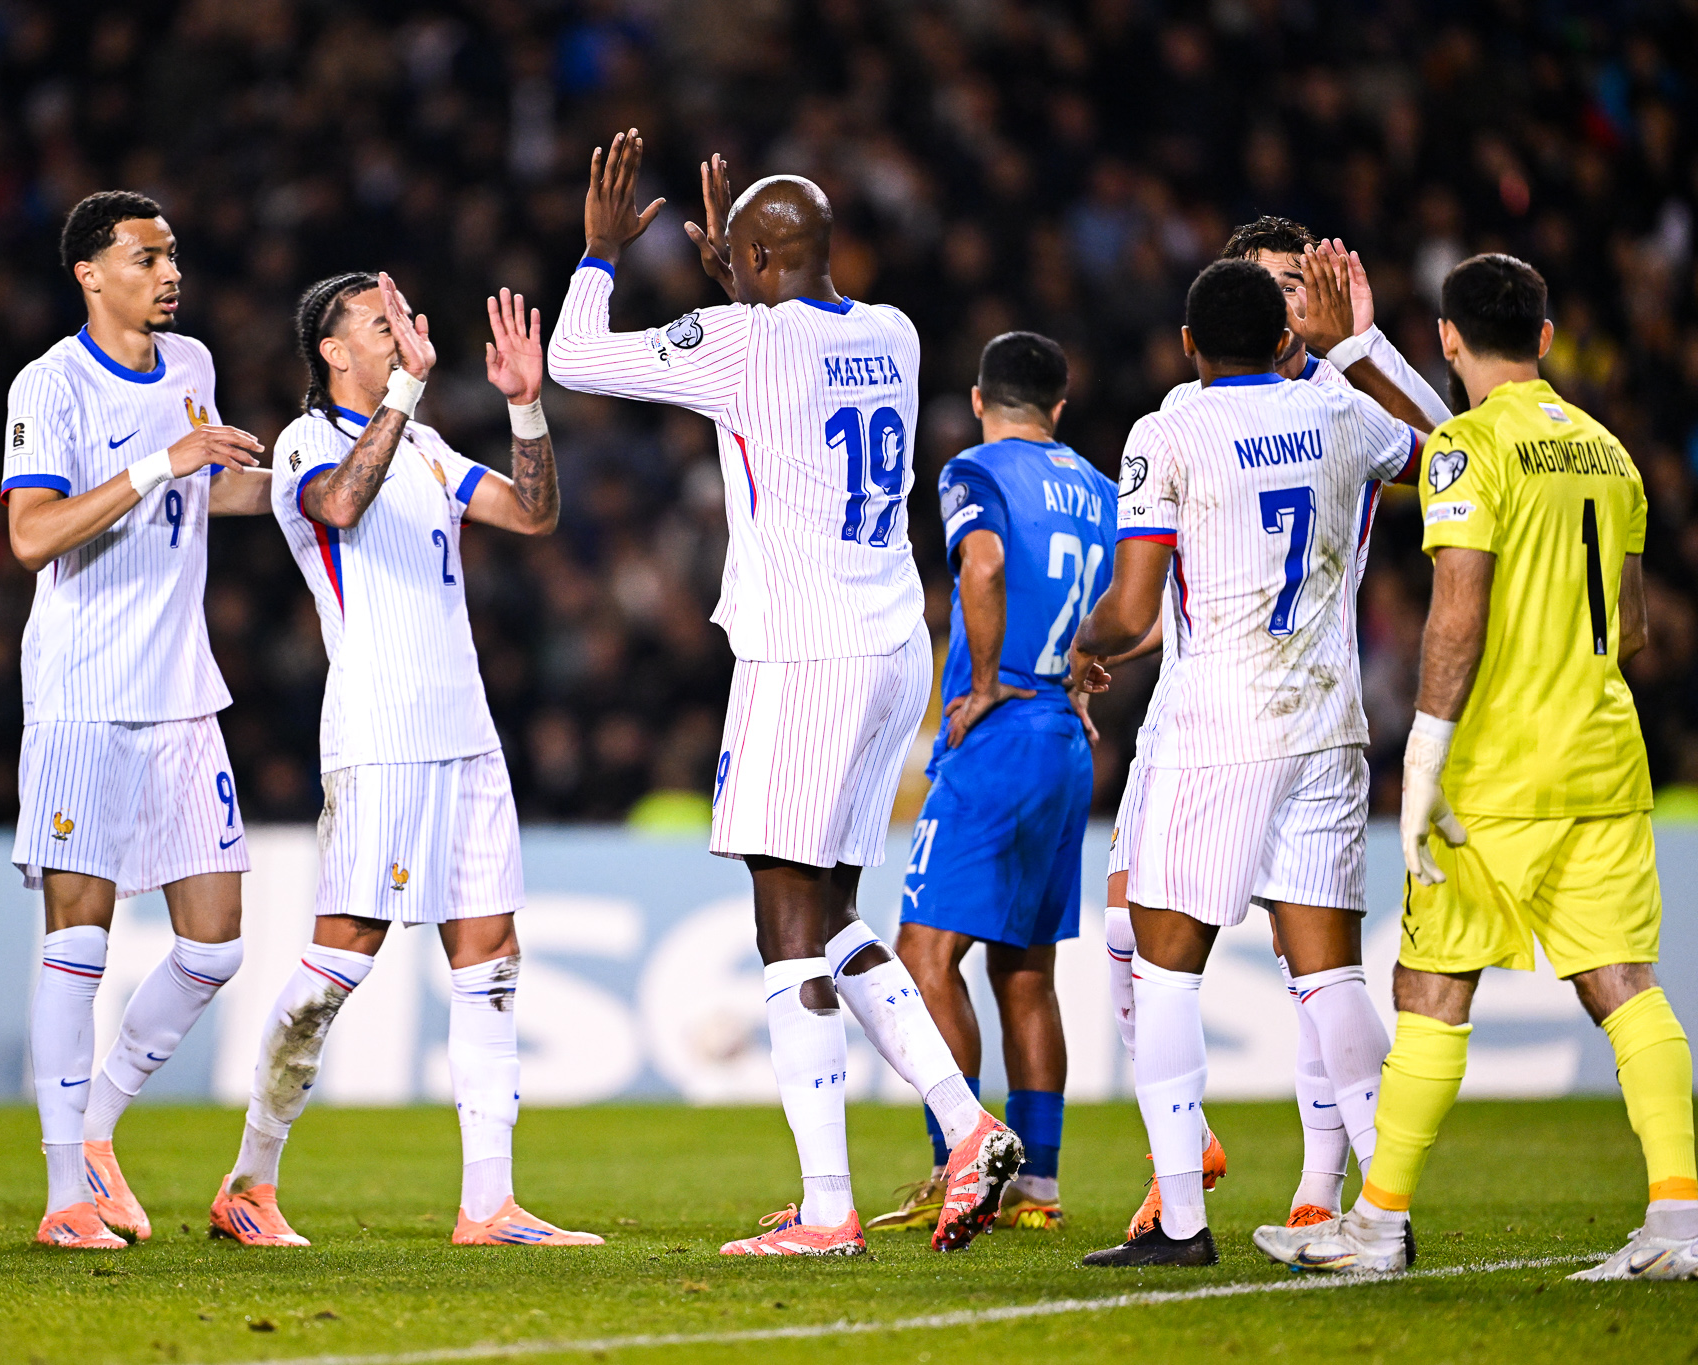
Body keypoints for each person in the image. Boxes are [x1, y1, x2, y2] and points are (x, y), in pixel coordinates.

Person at [548, 130, 1018, 1257]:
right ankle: (965, 1127)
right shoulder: (892, 332)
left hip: (802, 653)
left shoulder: (741, 342)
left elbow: (574, 357)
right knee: (840, 911)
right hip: (892, 645)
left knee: (782, 923)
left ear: (752, 262)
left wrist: (601, 253)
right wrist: (741, 283)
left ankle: (824, 1210)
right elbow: (789, 327)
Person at [1255, 254, 1698, 1281]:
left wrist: (1424, 748)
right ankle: (1677, 1222)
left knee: (1429, 985)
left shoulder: (1464, 449)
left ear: (1447, 340)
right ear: (1543, 340)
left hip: (1492, 773)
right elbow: (1630, 626)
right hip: (1601, 757)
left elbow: (1456, 599)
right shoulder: (1607, 451)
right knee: (1624, 987)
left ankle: (1374, 1226)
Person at [211, 271, 600, 1249]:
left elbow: (531, 513)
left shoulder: (423, 446)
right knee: (343, 955)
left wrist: (524, 407)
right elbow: (338, 509)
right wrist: (403, 396)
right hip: (379, 734)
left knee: (489, 957)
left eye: (403, 321)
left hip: (464, 730)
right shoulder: (309, 442)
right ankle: (249, 1183)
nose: (403, 336)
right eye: (379, 326)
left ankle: (488, 1205)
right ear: (334, 352)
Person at [1071, 258, 1422, 1267]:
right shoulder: (1342, 414)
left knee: (1165, 970)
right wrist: (1358, 345)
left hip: (1218, 726)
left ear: (1187, 345)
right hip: (1328, 720)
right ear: (1283, 337)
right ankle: (1381, 1214)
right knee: (1328, 977)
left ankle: (1179, 1221)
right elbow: (1447, 458)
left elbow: (1135, 612)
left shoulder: (1167, 428)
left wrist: (1082, 650)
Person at [1, 191, 272, 1250]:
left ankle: (99, 1130)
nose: (168, 272)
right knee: (79, 939)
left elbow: (205, 497)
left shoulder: (193, 365)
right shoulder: (50, 383)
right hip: (83, 696)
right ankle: (65, 1195)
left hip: (181, 693)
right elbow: (32, 534)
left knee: (214, 947)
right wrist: (165, 461)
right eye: (146, 255)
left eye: (173, 253)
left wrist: (299, 483)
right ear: (89, 273)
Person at [865, 332, 1110, 1237]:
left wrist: (979, 685)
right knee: (1025, 971)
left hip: (1000, 732)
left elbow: (986, 563)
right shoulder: (1096, 488)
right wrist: (1081, 676)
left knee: (924, 957)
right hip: (1062, 737)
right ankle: (1035, 1186)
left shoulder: (976, 468)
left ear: (978, 399)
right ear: (1062, 402)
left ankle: (959, 1162)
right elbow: (1127, 606)